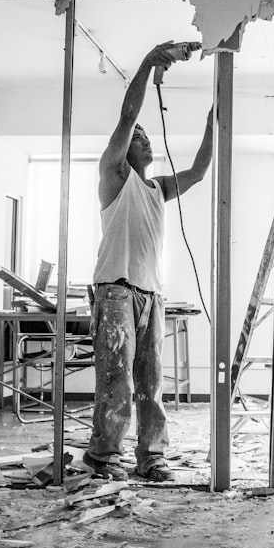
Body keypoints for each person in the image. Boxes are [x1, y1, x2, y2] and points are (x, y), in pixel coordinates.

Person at [84, 42, 213, 481]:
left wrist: (216, 121)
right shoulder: (114, 177)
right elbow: (126, 117)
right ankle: (104, 458)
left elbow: (197, 171)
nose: (144, 138)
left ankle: (151, 457)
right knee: (116, 380)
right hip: (116, 288)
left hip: (150, 295)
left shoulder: (157, 188)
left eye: (146, 136)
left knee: (150, 384)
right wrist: (149, 61)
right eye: (139, 137)